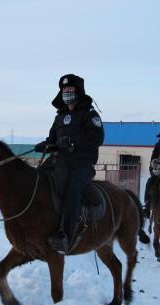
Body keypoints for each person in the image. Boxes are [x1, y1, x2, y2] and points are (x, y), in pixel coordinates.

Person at [34, 74, 104, 254]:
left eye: (70, 89)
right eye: (64, 90)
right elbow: (53, 139)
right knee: (38, 179)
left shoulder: (90, 114)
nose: (66, 92)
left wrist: (74, 144)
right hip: (60, 162)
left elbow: (97, 137)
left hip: (81, 165)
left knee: (73, 190)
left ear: (78, 91)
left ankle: (64, 235)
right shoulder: (60, 116)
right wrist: (46, 145)